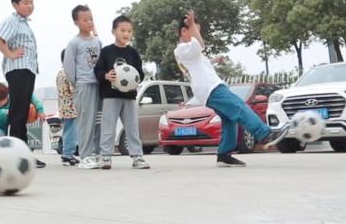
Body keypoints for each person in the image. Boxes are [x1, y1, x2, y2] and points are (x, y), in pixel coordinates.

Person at [176, 10, 290, 167]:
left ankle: (224, 155)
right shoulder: (183, 48)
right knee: (238, 106)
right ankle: (265, 134)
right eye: (196, 30)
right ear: (184, 31)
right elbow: (200, 44)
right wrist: (192, 24)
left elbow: (201, 64)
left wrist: (214, 61)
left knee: (229, 120)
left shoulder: (188, 52)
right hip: (211, 88)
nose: (198, 34)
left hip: (207, 89)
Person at [0, 0, 41, 164]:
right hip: (18, 69)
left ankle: (24, 154)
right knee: (17, 113)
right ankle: (14, 155)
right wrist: (9, 53)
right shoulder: (12, 20)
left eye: (31, 3)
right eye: (25, 3)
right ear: (15, 5)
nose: (30, 6)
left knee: (22, 112)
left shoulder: (24, 23)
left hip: (28, 69)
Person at [95, 15, 150, 170]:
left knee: (132, 128)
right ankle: (105, 157)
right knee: (108, 128)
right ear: (114, 31)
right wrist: (106, 76)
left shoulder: (133, 53)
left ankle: (137, 157)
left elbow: (140, 73)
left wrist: (135, 79)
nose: (126, 33)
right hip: (110, 96)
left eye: (129, 31)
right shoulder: (106, 51)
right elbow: (97, 71)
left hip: (129, 96)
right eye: (123, 30)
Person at [62, 4, 103, 170]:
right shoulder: (74, 43)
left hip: (99, 85)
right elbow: (69, 67)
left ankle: (98, 154)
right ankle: (85, 156)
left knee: (99, 121)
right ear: (76, 22)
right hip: (84, 86)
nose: (89, 22)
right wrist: (77, 83)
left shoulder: (97, 41)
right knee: (86, 122)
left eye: (91, 19)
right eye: (85, 20)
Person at [55, 50, 78, 166]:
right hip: (71, 107)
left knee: (67, 130)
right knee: (71, 132)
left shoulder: (60, 73)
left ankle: (67, 153)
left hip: (63, 107)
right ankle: (67, 155)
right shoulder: (68, 73)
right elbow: (74, 90)